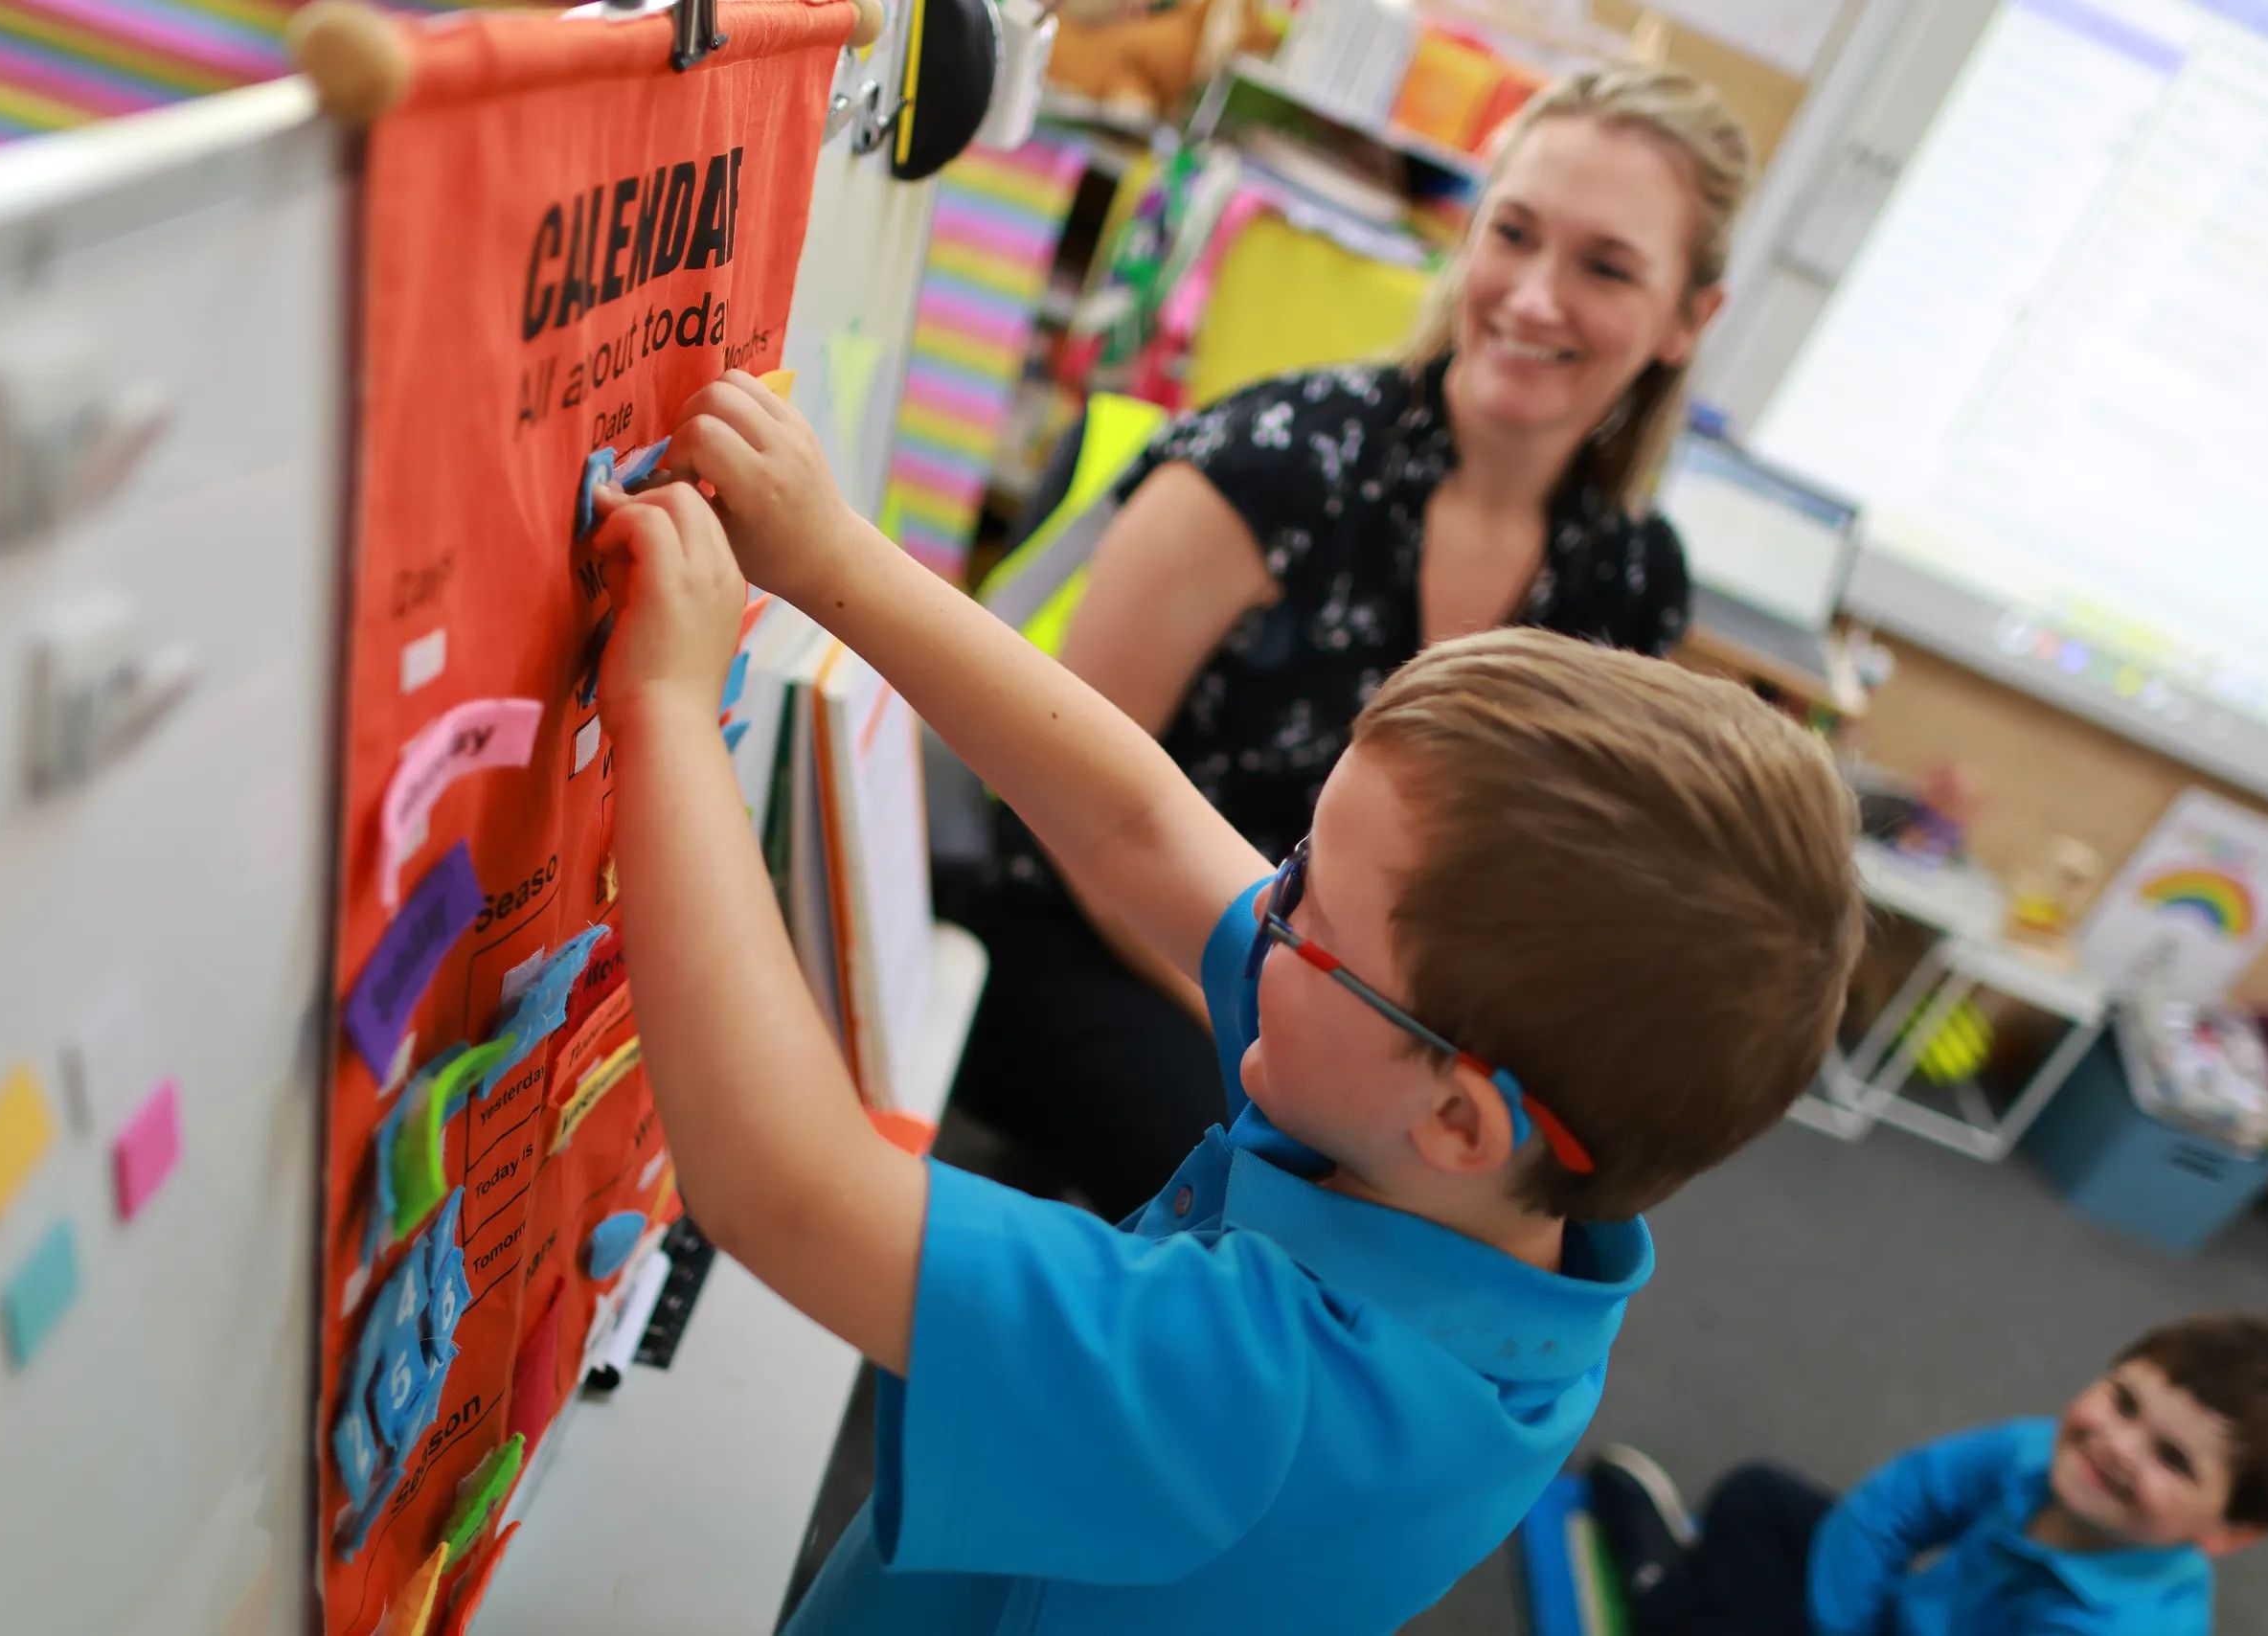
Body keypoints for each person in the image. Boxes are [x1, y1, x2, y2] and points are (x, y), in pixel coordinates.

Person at [590, 368, 1860, 1634]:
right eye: (1298, 861)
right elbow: (1138, 821)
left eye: (1314, 915)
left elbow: (785, 1190)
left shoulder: (1278, 1391)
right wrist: (826, 557)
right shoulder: (1464, 1166)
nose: (1271, 911)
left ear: (1464, 1120)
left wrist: (665, 708)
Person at [948, 65, 1755, 1217]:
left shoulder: (1630, 580)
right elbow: (1054, 790)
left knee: (1521, 1224)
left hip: (1363, 1010)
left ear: (1689, 317)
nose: (1532, 295)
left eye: (1605, 265)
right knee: (1297, 1212)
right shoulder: (1276, 461)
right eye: (1511, 233)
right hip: (1100, 931)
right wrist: (1298, 1044)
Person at [1586, 1313, 2268, 1636]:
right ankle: (1684, 1599)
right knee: (1759, 1496)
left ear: (2228, 1533)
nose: (2116, 1446)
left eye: (2172, 1459)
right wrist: (1842, 1622)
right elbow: (1896, 1504)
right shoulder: (2041, 1449)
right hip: (1882, 1621)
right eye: (2123, 1402)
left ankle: (1663, 1587)